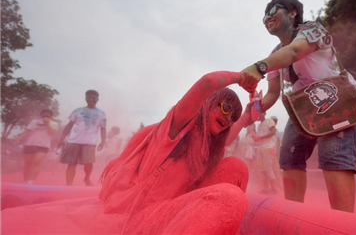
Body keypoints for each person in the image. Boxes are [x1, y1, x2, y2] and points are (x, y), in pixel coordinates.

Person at [3, 70, 258, 235]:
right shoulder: (175, 130)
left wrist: (247, 115)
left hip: (168, 216)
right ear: (208, 102)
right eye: (225, 107)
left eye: (233, 114)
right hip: (136, 220)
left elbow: (234, 129)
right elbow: (207, 83)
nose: (229, 117)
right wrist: (244, 76)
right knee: (229, 198)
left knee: (235, 168)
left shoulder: (205, 148)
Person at [242, 0, 356, 212]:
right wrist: (255, 108)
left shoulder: (312, 30)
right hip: (304, 108)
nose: (267, 17)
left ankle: (344, 226)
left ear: (292, 12)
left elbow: (294, 52)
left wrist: (258, 67)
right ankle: (294, 219)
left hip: (336, 99)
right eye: (264, 15)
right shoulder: (275, 54)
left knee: (334, 157)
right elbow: (273, 94)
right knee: (289, 156)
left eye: (273, 11)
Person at [57, 90, 107, 186]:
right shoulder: (78, 111)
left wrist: (103, 141)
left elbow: (103, 128)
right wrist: (62, 138)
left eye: (94, 98)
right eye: (89, 98)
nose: (92, 100)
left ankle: (87, 177)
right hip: (74, 141)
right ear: (86, 98)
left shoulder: (101, 113)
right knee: (71, 163)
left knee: (89, 163)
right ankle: (69, 186)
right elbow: (69, 125)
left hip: (90, 142)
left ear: (97, 100)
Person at [16, 109, 58, 185]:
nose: (46, 116)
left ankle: (31, 181)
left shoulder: (54, 123)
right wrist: (18, 139)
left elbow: (51, 133)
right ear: (40, 115)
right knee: (28, 163)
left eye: (48, 115)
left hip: (43, 146)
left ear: (51, 117)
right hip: (30, 144)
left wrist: (47, 123)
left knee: (37, 162)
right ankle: (25, 180)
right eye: (44, 114)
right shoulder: (34, 122)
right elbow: (26, 131)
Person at [252, 112, 278, 194]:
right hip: (261, 148)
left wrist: (260, 137)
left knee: (267, 168)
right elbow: (259, 138)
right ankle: (265, 188)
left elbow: (273, 132)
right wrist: (256, 139)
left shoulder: (269, 121)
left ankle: (274, 189)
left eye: (260, 113)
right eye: (257, 114)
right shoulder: (259, 125)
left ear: (264, 113)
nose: (258, 115)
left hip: (268, 147)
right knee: (262, 169)